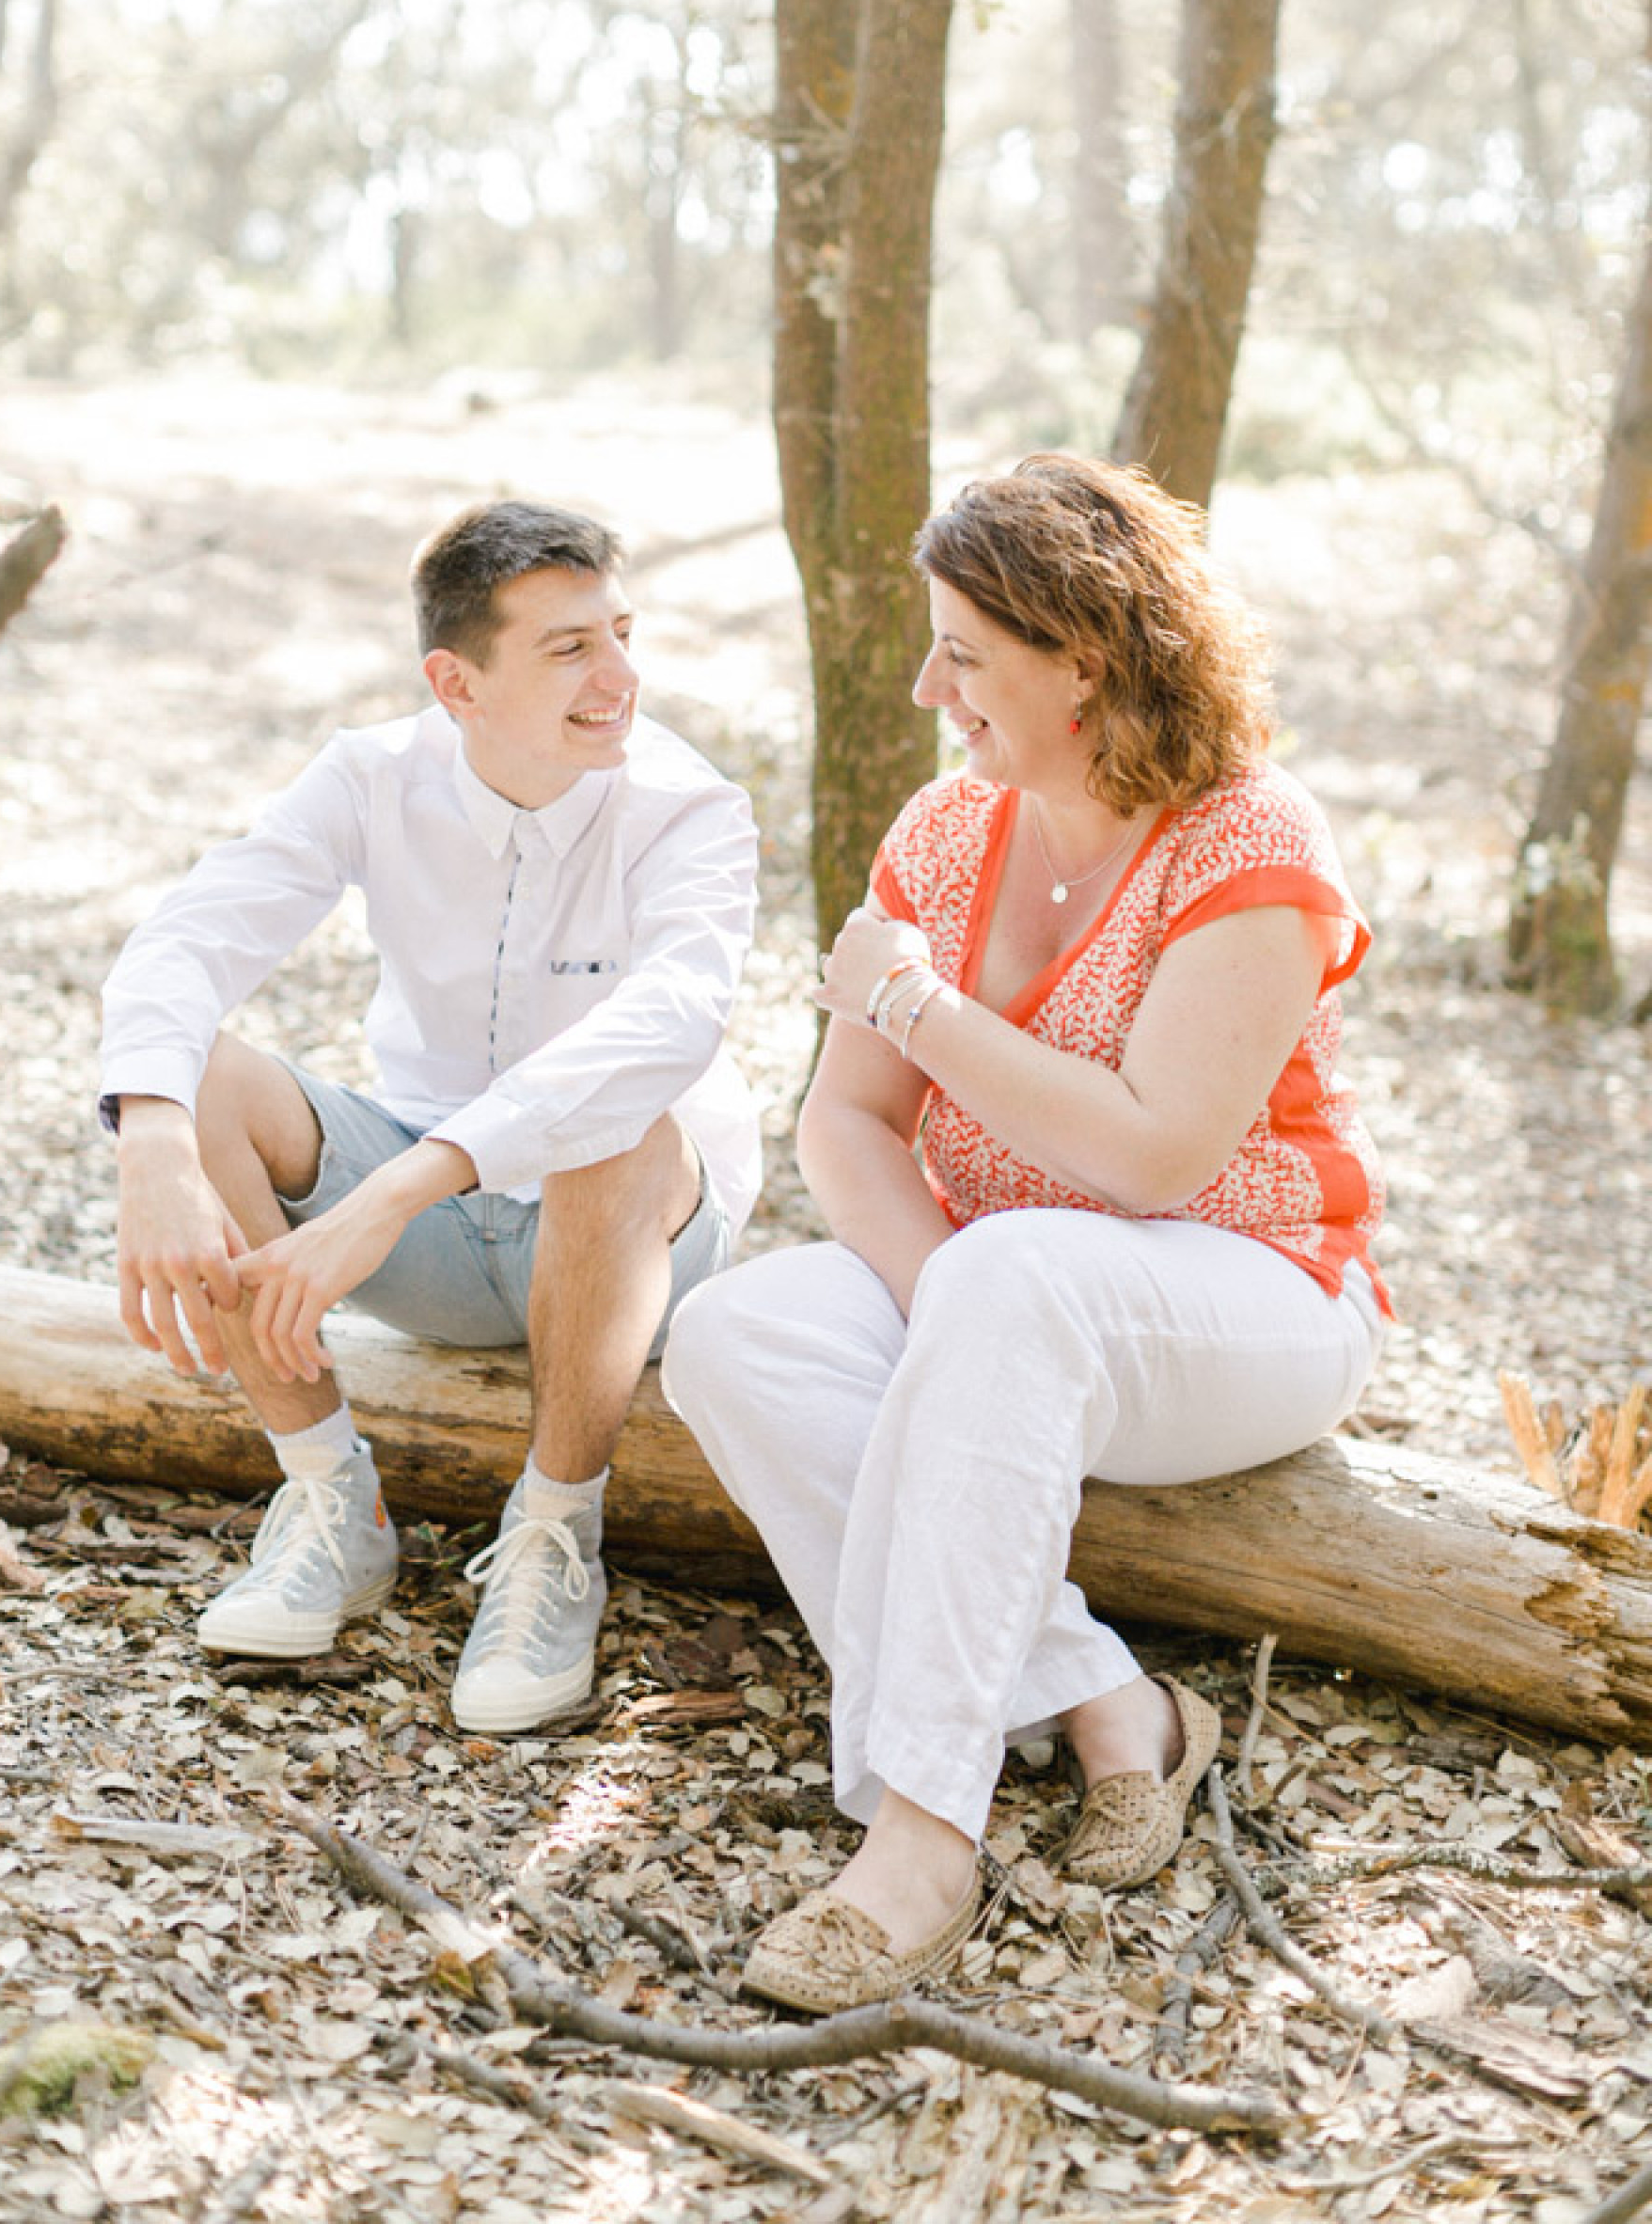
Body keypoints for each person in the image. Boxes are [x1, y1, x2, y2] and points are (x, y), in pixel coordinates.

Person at [663, 451, 1387, 2015]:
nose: (932, 690)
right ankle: (1115, 1703)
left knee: (1014, 1275)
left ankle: (925, 1833)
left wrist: (917, 1005)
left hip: (1251, 1295)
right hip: (1006, 1287)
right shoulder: (944, 832)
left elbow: (1153, 1153)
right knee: (732, 1330)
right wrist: (954, 1307)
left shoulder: (1250, 841)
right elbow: (846, 1123)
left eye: (966, 656)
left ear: (1088, 660)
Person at [101, 497, 759, 1735]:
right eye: (571, 648)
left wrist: (392, 1195)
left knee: (616, 1119)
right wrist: (151, 1138)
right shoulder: (370, 776)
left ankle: (556, 1536)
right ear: (457, 683)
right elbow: (189, 937)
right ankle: (330, 1500)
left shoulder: (689, 806)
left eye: (622, 634)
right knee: (198, 1077)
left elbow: (667, 1028)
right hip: (438, 1248)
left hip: (636, 1246)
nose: (621, 677)